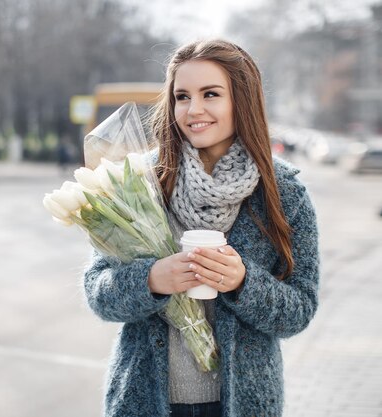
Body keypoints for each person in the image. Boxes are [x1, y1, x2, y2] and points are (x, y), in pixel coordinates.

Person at [82, 39, 320, 417]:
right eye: (181, 96)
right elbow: (99, 292)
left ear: (241, 99)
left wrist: (244, 282)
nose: (193, 110)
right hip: (144, 402)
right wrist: (150, 280)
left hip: (245, 404)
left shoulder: (282, 191)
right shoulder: (139, 179)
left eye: (210, 94)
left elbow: (300, 310)